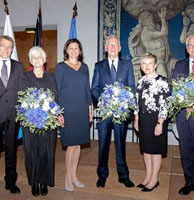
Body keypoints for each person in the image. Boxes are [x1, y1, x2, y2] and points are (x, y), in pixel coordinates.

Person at [91, 35, 135, 188]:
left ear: (120, 48)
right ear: (106, 48)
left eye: (115, 45)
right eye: (110, 45)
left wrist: (125, 102)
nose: (113, 48)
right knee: (103, 145)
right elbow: (94, 88)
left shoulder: (127, 65)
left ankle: (123, 175)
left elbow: (132, 87)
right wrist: (99, 101)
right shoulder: (99, 66)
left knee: (120, 145)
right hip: (104, 113)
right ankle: (102, 175)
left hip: (121, 113)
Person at [54, 38, 92, 192]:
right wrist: (57, 113)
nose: (74, 50)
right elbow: (55, 92)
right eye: (71, 48)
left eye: (76, 48)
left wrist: (90, 110)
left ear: (80, 51)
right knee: (71, 145)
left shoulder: (85, 67)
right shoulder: (60, 67)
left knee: (78, 146)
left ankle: (74, 175)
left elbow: (87, 90)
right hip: (67, 111)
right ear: (66, 50)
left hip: (82, 109)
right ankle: (67, 177)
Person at [19, 47, 58, 196]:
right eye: (33, 57)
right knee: (32, 152)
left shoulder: (51, 76)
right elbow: (22, 97)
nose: (36, 59)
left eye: (39, 57)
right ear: (30, 61)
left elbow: (55, 96)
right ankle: (34, 182)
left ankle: (45, 181)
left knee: (46, 152)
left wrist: (53, 113)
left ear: (45, 60)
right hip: (31, 121)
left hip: (48, 121)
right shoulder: (25, 76)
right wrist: (30, 113)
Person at [134, 52, 170, 192]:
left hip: (156, 119)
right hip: (143, 120)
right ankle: (148, 176)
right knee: (146, 151)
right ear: (141, 66)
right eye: (144, 63)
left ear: (155, 65)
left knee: (155, 151)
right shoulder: (141, 81)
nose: (147, 66)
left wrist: (160, 123)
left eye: (150, 63)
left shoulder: (163, 81)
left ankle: (154, 179)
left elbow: (165, 105)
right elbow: (137, 103)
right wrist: (136, 119)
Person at [172, 34, 194, 198]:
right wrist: (184, 104)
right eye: (190, 45)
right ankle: (189, 181)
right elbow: (175, 89)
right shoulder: (179, 65)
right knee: (186, 149)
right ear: (186, 48)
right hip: (183, 115)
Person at [0, 35, 24, 194]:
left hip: (13, 116)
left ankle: (10, 181)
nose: (6, 49)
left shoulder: (19, 67)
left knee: (11, 151)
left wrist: (22, 114)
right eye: (3, 46)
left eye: (9, 47)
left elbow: (22, 92)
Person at [129, 7, 177, 81]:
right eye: (148, 19)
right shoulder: (146, 33)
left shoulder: (153, 29)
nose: (151, 20)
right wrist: (163, 18)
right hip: (156, 62)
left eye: (151, 18)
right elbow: (164, 32)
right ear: (144, 21)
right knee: (164, 80)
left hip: (162, 59)